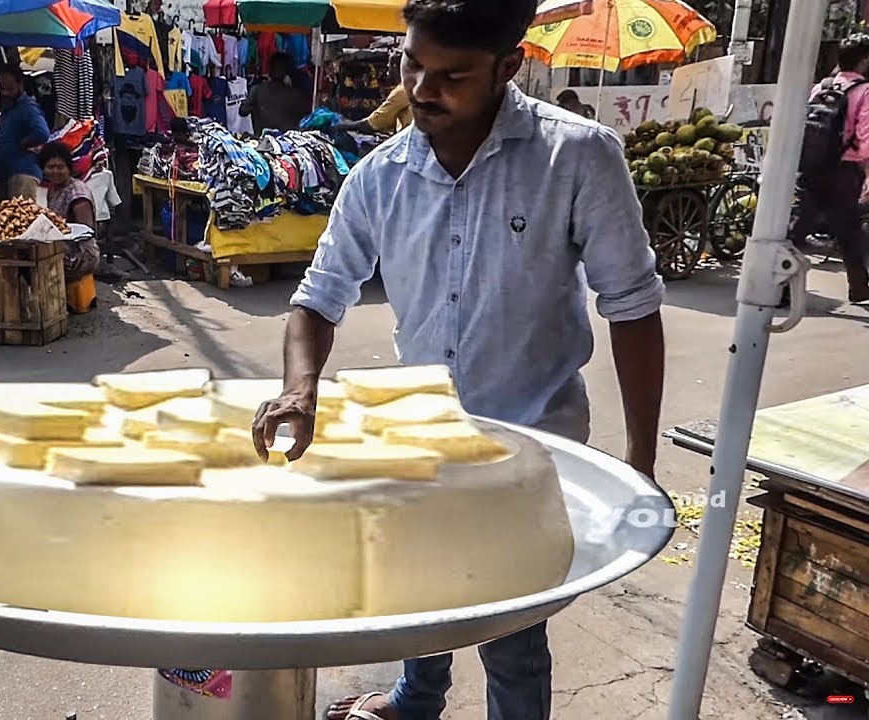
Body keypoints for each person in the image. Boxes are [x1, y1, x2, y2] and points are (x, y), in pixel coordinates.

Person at [251, 2, 665, 719]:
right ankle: (418, 698)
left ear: (508, 68)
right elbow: (318, 298)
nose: (421, 89)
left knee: (510, 633)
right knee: (422, 589)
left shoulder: (577, 156)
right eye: (411, 64)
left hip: (530, 446)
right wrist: (299, 388)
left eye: (452, 76)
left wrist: (641, 459)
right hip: (422, 435)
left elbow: (631, 307)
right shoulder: (378, 176)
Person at [791, 34, 869, 304]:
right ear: (864, 61)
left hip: (812, 166)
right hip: (845, 171)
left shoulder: (821, 87)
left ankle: (774, 285)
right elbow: (866, 136)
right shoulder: (864, 91)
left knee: (798, 226)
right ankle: (859, 288)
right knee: (848, 229)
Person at [38, 141, 100, 283]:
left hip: (80, 256)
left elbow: (86, 231)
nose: (55, 171)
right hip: (61, 248)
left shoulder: (77, 193)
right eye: (50, 167)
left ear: (68, 168)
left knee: (34, 266)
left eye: (60, 167)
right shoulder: (53, 189)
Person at [0, 64, 50, 201]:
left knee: (22, 217)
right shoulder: (9, 108)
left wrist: (23, 143)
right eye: (3, 88)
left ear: (20, 84)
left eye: (9, 88)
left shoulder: (27, 107)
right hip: (8, 174)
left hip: (22, 174)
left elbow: (42, 133)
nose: (5, 93)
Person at [334, 57, 412, 135]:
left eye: (389, 66)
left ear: (395, 67)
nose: (388, 72)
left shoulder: (402, 91)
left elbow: (375, 122)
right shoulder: (411, 87)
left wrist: (343, 126)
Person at [239, 53, 309, 132]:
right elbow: (304, 118)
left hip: (263, 140)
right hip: (287, 141)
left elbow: (243, 111)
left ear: (270, 70)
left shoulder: (257, 90)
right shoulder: (295, 94)